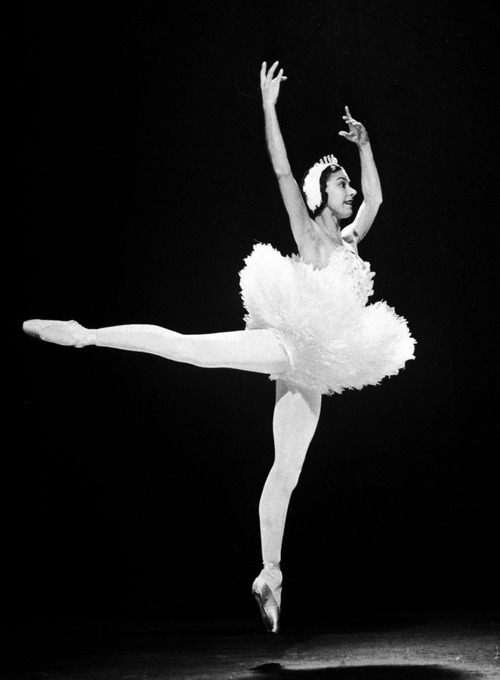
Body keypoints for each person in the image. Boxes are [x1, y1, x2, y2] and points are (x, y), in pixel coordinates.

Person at [23, 61, 415, 634]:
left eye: (348, 184)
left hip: (311, 367)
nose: (351, 190)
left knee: (287, 469)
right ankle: (86, 333)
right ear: (319, 198)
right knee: (190, 349)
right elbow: (282, 173)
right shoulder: (308, 234)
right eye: (340, 184)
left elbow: (378, 195)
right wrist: (268, 108)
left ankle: (270, 575)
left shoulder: (352, 240)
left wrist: (366, 145)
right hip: (287, 344)